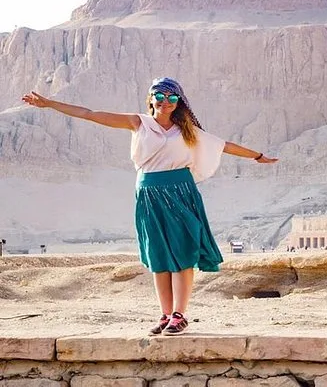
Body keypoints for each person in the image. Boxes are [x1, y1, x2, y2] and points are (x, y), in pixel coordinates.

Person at [21, 77, 278, 336]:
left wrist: (257, 156)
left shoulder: (187, 130)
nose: (166, 102)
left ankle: (179, 315)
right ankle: (166, 315)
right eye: (160, 96)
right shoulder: (138, 123)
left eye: (172, 98)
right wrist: (49, 103)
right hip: (148, 193)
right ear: (151, 98)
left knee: (183, 251)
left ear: (178, 102)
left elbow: (223, 146)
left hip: (181, 192)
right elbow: (90, 114)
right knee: (159, 255)